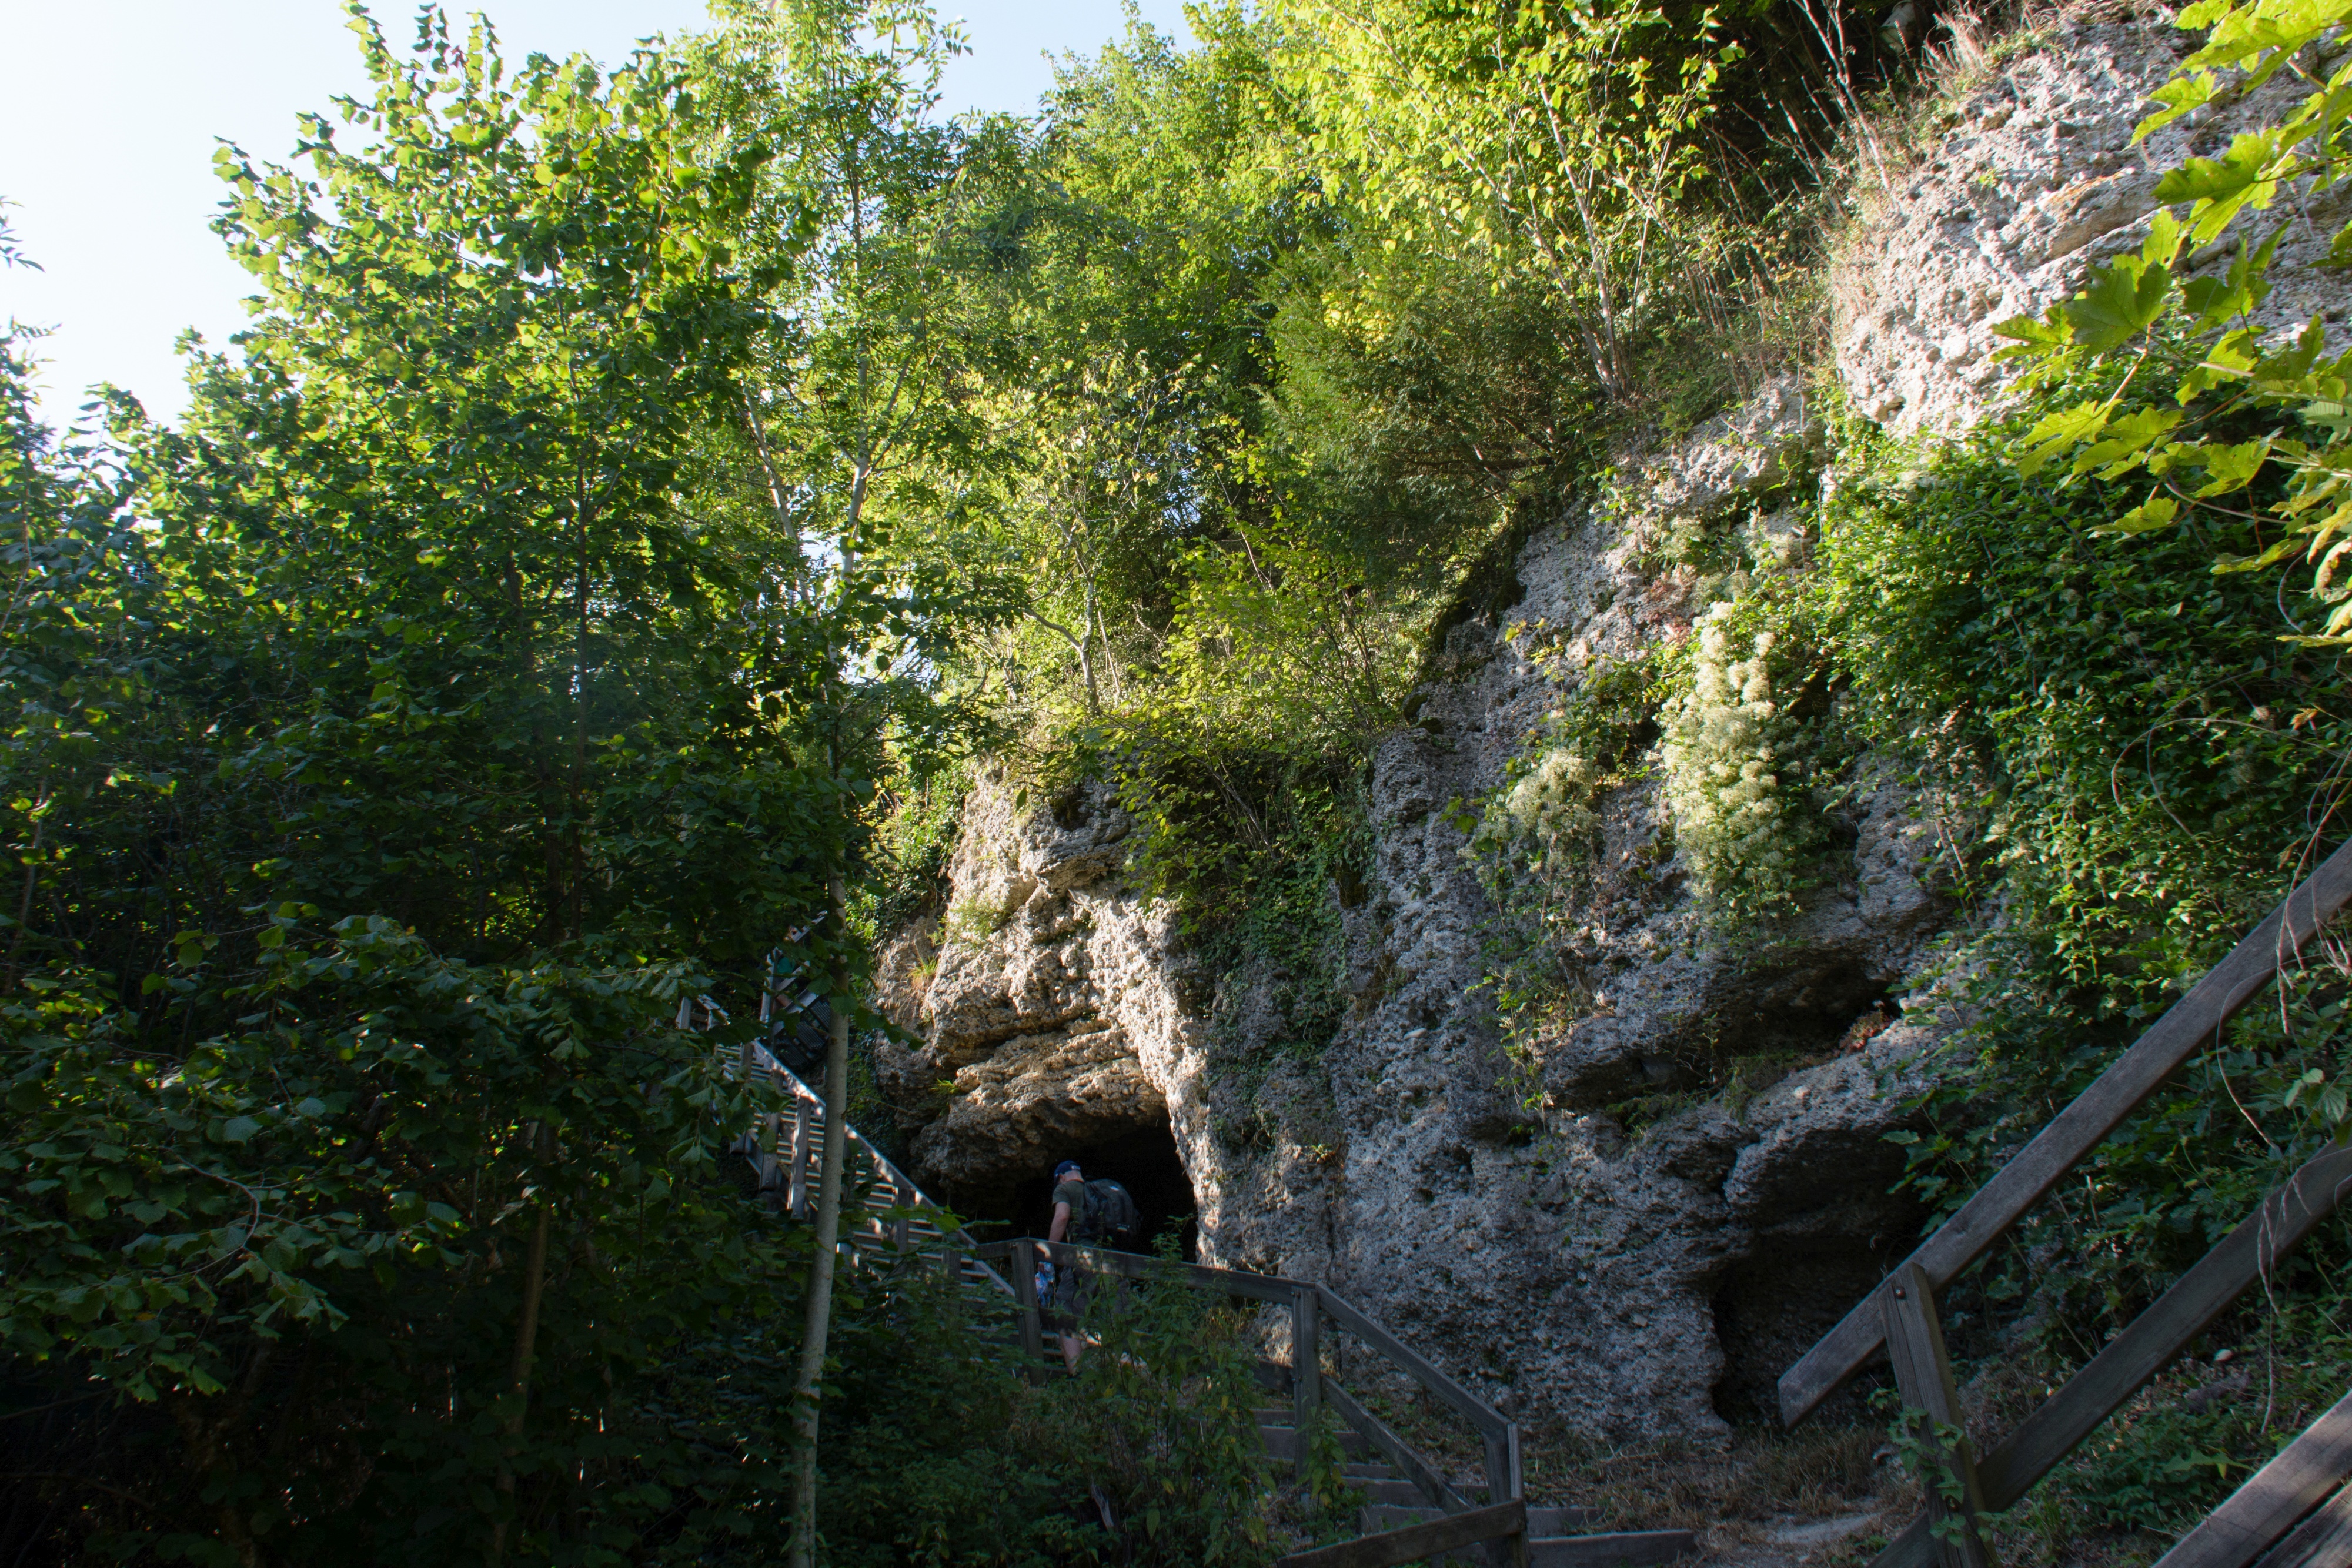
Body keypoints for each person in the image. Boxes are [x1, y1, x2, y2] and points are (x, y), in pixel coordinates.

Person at [1044, 1158, 1089, 1373]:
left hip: (1081, 1262)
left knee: (1065, 1311)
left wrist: (1050, 1254)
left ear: (1060, 1178)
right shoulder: (1096, 1191)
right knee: (1112, 1316)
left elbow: (1062, 1217)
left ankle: (1077, 1375)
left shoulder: (1064, 1189)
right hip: (1114, 1263)